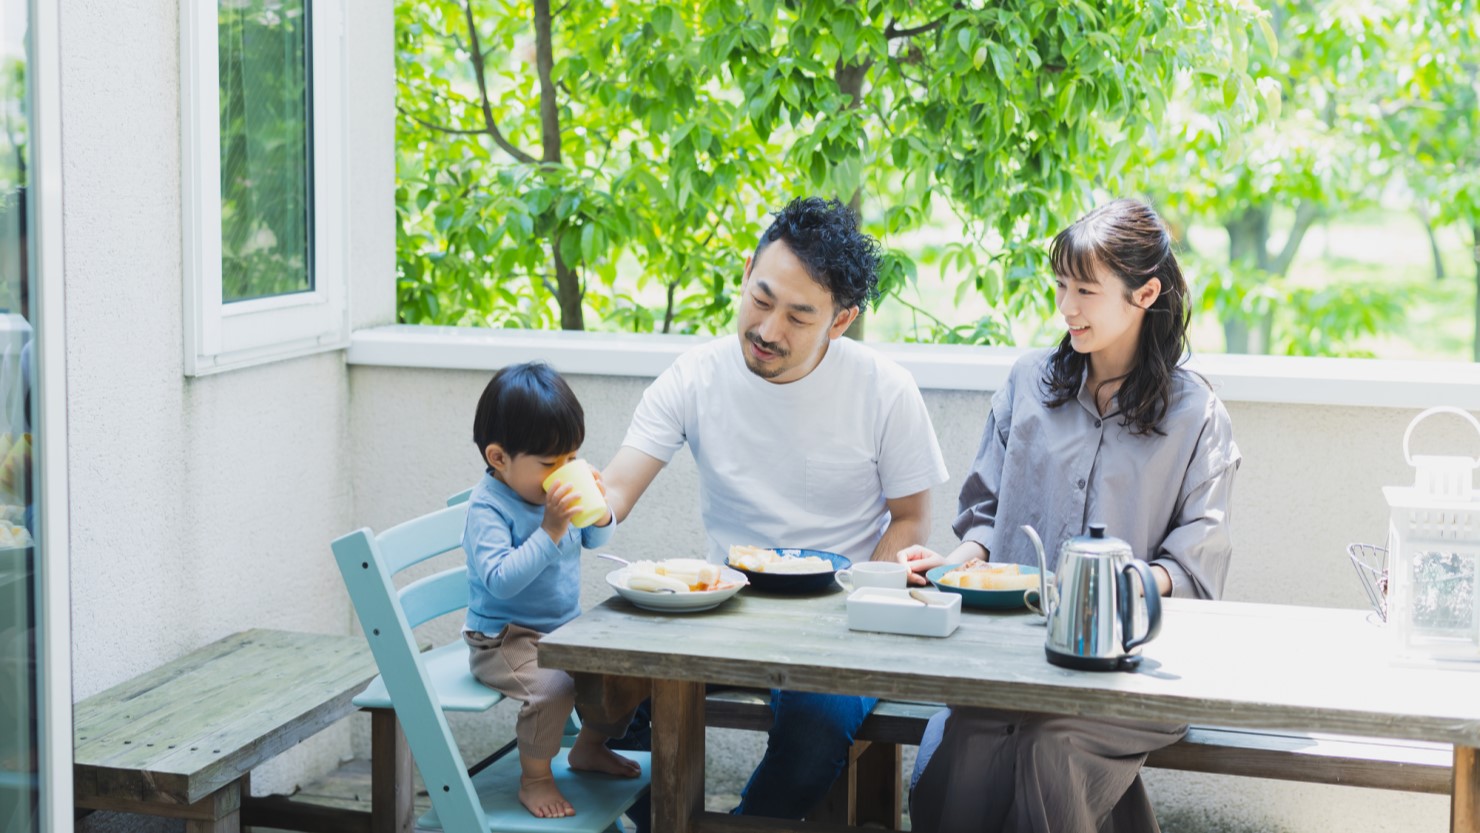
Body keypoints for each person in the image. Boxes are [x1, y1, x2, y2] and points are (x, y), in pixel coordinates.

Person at [601, 196, 950, 828]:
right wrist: (577, 505)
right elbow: (615, 494)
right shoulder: (694, 376)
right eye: (761, 301)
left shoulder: (884, 389)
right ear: (745, 274)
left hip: (839, 615)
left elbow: (909, 520)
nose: (768, 330)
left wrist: (858, 605)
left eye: (798, 316)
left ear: (839, 322)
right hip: (721, 604)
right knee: (612, 691)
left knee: (817, 724)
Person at [902, 198, 1241, 833]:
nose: (1067, 308)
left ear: (1145, 294)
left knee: (1051, 746)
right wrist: (951, 565)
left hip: (1134, 666)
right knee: (972, 741)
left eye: (1086, 289)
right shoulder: (1028, 382)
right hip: (1012, 655)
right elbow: (984, 514)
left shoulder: (1197, 414)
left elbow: (1196, 561)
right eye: (1061, 286)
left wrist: (1115, 585)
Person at [461, 362, 645, 819]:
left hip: (561, 628)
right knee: (553, 687)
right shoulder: (487, 508)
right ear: (498, 458)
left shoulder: (551, 499)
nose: (563, 471)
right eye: (549, 464)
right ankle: (536, 777)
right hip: (504, 638)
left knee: (626, 666)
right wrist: (550, 530)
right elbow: (500, 579)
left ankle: (589, 746)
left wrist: (600, 513)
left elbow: (593, 538)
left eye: (571, 459)